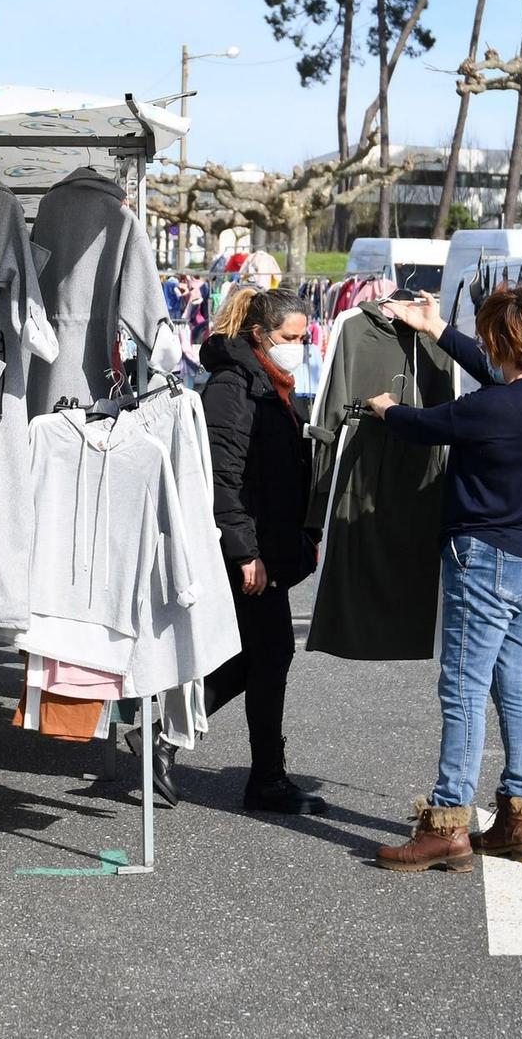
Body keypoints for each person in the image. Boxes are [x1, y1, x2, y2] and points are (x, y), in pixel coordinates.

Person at [366, 289, 522, 872]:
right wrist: (436, 329)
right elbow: (496, 375)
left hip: (488, 564)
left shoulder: (492, 410)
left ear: (502, 342)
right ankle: (520, 819)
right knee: (517, 688)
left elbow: (420, 424)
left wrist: (384, 407)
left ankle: (447, 824)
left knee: (462, 691)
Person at [196, 286, 327, 816]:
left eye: (303, 336)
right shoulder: (233, 386)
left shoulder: (271, 383)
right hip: (248, 549)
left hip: (267, 546)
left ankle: (162, 736)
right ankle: (264, 779)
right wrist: (245, 552)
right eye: (289, 337)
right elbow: (222, 479)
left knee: (260, 655)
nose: (299, 345)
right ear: (259, 335)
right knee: (269, 655)